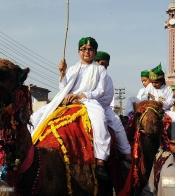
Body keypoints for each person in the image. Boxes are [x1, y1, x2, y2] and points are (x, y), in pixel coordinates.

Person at [30, 37, 111, 181]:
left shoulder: (100, 70)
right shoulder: (73, 68)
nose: (87, 52)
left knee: (100, 119)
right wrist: (62, 73)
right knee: (36, 117)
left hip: (88, 101)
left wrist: (81, 95)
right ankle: (29, 151)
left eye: (90, 49)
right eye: (84, 49)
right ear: (79, 52)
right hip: (66, 100)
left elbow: (100, 91)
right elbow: (64, 88)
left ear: (94, 52)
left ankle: (100, 161)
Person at [94, 51, 132, 169]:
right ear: (94, 63)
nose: (103, 67)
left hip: (101, 108)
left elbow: (107, 99)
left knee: (117, 123)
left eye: (105, 65)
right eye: (101, 64)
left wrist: (93, 103)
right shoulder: (84, 74)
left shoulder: (108, 79)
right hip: (81, 106)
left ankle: (127, 157)